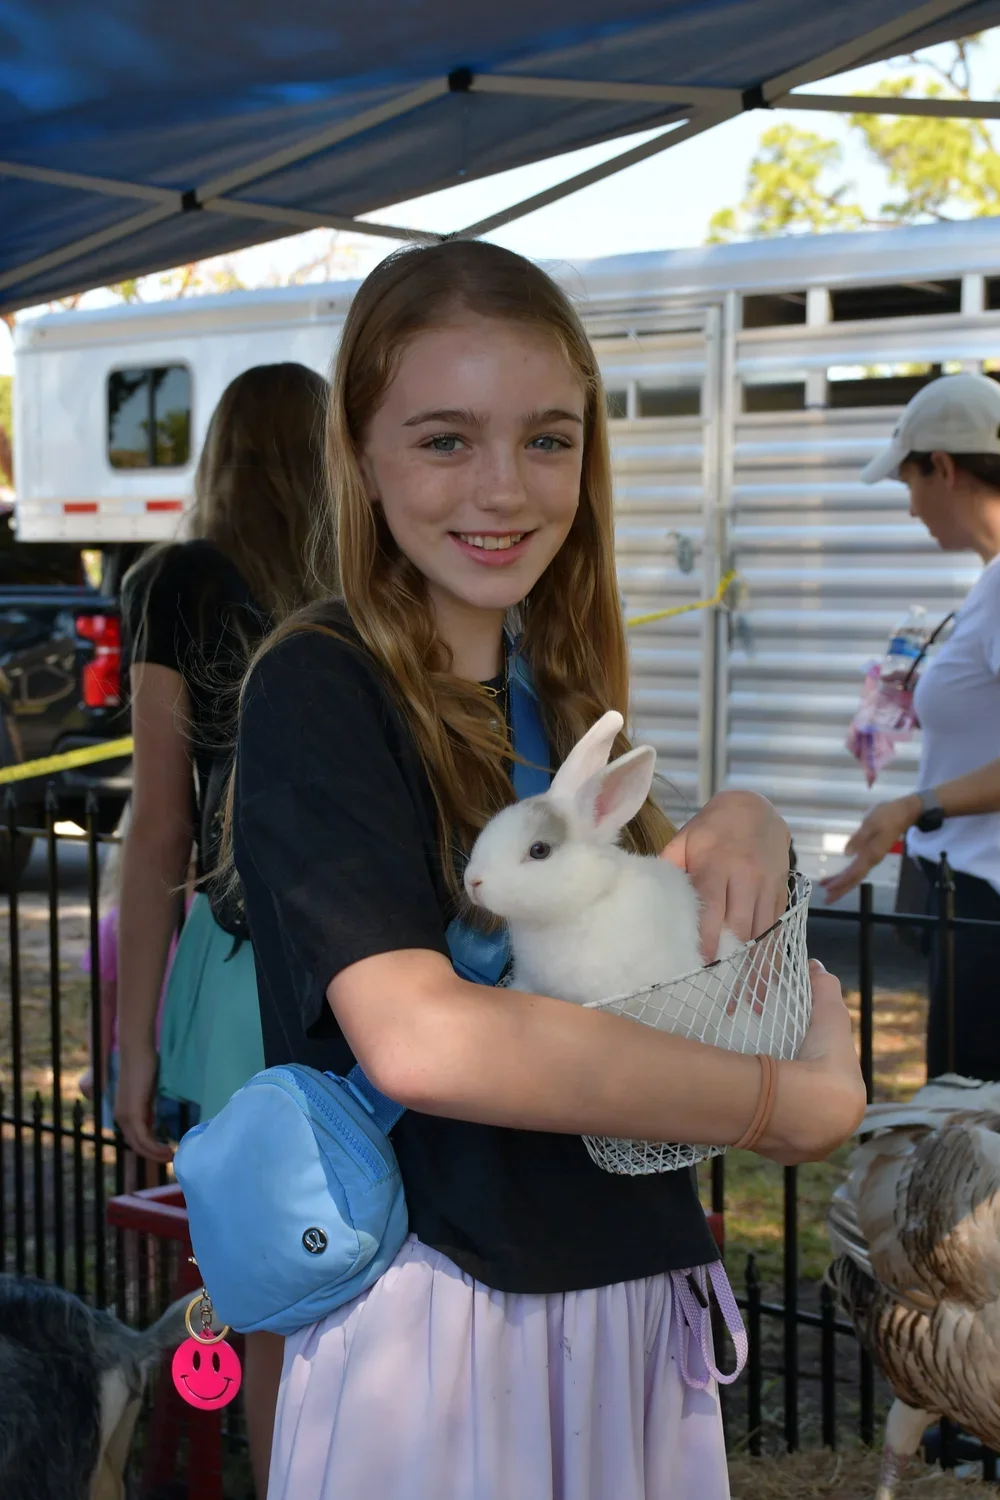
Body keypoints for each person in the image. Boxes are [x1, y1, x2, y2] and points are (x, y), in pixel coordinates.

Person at [228, 241, 865, 1500]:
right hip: (449, 1321)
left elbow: (656, 974)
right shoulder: (320, 684)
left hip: (622, 1298)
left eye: (547, 439)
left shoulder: (558, 691)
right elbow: (423, 1041)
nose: (503, 487)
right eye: (445, 439)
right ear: (359, 452)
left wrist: (746, 824)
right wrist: (771, 1107)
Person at [115, 362, 335, 1499]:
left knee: (268, 1296)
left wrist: (133, 1047)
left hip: (243, 970)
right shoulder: (379, 575)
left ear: (221, 454)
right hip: (382, 949)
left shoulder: (181, 580)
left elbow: (159, 825)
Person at [824, 372, 1000, 1080]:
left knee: (969, 1122)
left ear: (944, 468)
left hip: (987, 906)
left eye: (908, 482)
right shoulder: (989, 582)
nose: (909, 508)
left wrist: (914, 805)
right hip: (967, 893)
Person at [77, 799, 194, 1143]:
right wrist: (99, 1067)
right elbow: (104, 1000)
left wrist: (97, 1067)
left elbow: (104, 1001)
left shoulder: (118, 924)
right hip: (168, 1062)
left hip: (158, 1062)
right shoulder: (210, 922)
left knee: (140, 1160)